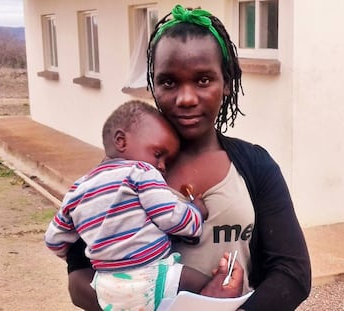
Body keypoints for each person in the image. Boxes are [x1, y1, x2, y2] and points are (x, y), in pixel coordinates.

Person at [66, 5, 311, 311]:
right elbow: (78, 280)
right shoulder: (118, 174)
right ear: (153, 85)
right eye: (169, 82)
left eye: (203, 80)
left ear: (226, 83)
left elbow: (293, 273)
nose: (186, 98)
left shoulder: (255, 166)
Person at [45, 100, 243, 311]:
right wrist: (196, 213)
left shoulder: (77, 189)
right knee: (207, 291)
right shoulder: (140, 172)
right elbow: (170, 218)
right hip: (152, 275)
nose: (161, 166)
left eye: (166, 161)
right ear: (121, 141)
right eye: (158, 154)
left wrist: (94, 248)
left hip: (106, 287)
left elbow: (53, 240)